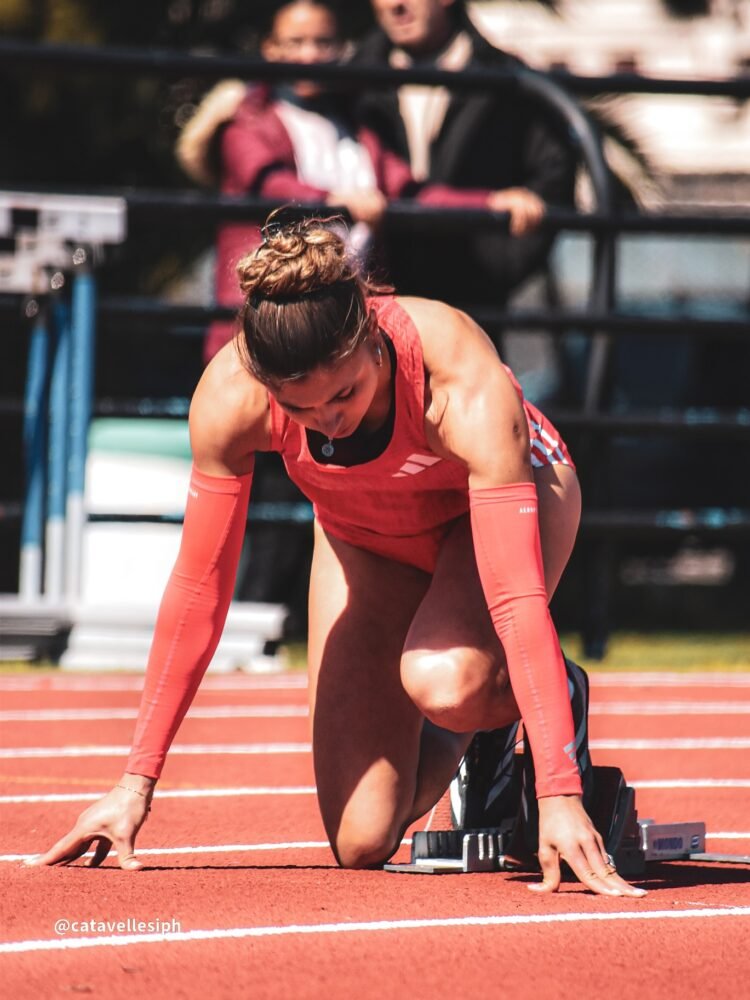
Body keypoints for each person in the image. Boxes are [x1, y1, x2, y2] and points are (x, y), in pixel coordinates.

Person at [27, 215, 645, 897]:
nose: (329, 420)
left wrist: (560, 794)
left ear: (371, 341)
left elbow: (514, 594)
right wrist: (134, 783)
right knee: (361, 839)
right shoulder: (231, 396)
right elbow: (200, 589)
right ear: (265, 382)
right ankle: (490, 735)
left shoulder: (455, 375)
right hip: (365, 533)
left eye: (345, 393)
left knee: (445, 680)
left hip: (491, 511)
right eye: (301, 407)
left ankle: (544, 701)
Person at [351, 0, 577, 315]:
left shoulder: (507, 79)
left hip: (475, 305)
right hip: (374, 302)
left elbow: (553, 175)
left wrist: (496, 267)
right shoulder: (348, 80)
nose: (395, 5)